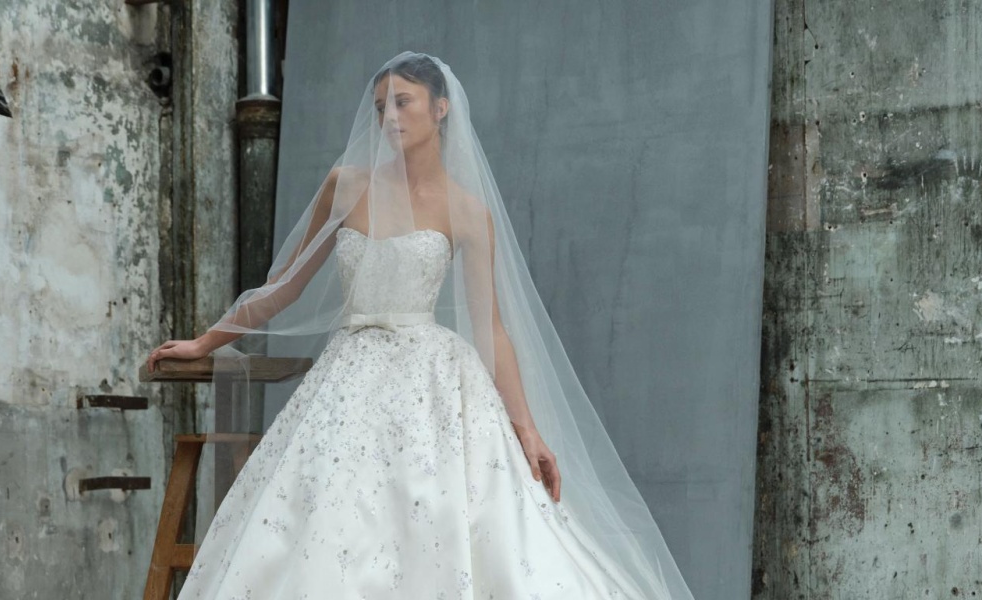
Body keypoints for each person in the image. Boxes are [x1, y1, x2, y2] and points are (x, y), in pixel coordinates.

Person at [146, 51, 694, 599]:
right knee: (328, 520)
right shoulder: (346, 186)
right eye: (380, 107)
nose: (389, 117)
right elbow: (282, 287)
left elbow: (491, 328)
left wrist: (527, 428)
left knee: (444, 516)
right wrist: (205, 341)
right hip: (349, 380)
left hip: (434, 383)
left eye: (403, 102)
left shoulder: (468, 212)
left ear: (441, 108)